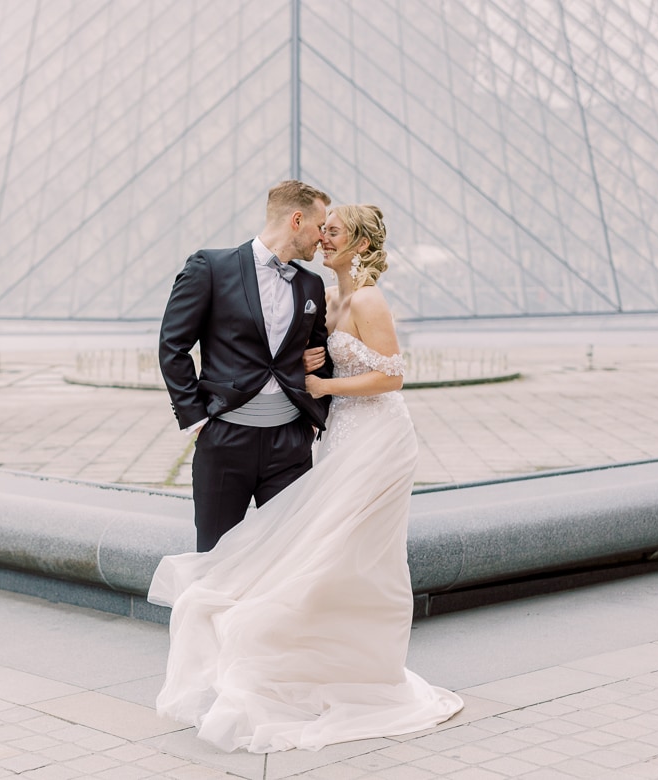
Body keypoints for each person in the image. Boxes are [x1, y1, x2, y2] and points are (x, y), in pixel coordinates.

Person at [149, 204, 463, 753]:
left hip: (377, 441)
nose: (323, 237)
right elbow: (280, 350)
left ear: (359, 245)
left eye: (334, 231)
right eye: (322, 226)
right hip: (333, 436)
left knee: (337, 553)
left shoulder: (363, 297)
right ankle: (304, 659)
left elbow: (393, 377)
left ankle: (342, 664)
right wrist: (306, 367)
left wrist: (320, 390)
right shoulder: (325, 290)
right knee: (317, 553)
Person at [158, 180, 334, 553]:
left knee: (286, 555)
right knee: (214, 554)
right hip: (225, 440)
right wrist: (198, 419)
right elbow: (173, 346)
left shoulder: (312, 285)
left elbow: (321, 353)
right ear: (297, 220)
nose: (323, 237)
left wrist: (311, 411)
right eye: (320, 226)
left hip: (290, 443)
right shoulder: (210, 266)